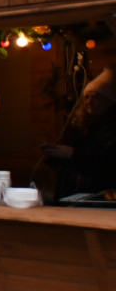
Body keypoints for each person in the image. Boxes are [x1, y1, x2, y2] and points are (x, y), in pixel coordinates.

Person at [41, 45, 116, 199]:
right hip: (71, 197)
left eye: (96, 97)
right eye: (87, 96)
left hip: (97, 200)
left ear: (110, 102)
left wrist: (72, 154)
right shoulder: (81, 127)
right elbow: (69, 165)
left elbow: (107, 165)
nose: (89, 101)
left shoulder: (111, 130)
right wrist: (54, 156)